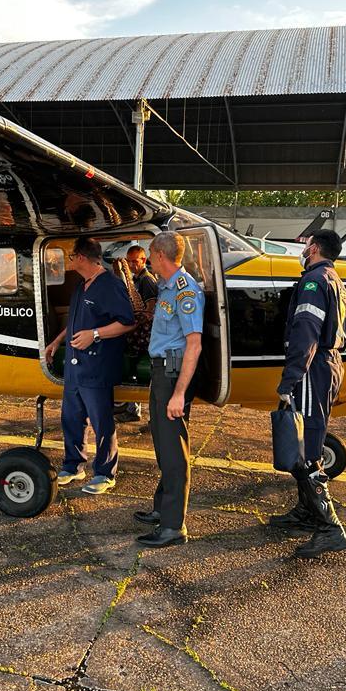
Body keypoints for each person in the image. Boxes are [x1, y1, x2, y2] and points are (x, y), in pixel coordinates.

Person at [270, 228, 346, 558]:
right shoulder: (336, 280)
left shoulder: (312, 282)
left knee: (304, 448)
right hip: (329, 365)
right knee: (309, 441)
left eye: (306, 245)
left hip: (312, 368)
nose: (303, 250)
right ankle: (307, 512)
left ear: (315, 248)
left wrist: (290, 381)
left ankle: (330, 528)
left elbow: (306, 334)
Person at [46, 237, 135, 495]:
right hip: (76, 367)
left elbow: (127, 322)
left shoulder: (110, 285)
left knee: (101, 420)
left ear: (82, 258)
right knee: (71, 417)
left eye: (71, 257)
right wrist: (57, 341)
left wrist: (94, 334)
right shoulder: (81, 286)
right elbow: (75, 321)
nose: (70, 261)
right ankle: (74, 465)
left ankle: (106, 473)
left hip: (97, 366)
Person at [134, 231, 204, 547]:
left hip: (173, 372)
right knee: (163, 443)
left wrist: (178, 393)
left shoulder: (184, 291)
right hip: (163, 370)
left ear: (160, 256)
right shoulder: (167, 287)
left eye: (150, 253)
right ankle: (163, 509)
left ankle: (174, 526)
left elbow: (194, 344)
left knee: (174, 449)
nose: (148, 259)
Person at [115, 245, 157, 423]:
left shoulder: (146, 280)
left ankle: (126, 401)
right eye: (129, 261)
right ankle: (133, 407)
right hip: (143, 329)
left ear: (144, 260)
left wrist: (132, 325)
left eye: (135, 261)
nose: (132, 264)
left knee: (125, 354)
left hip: (146, 332)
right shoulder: (137, 279)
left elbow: (150, 309)